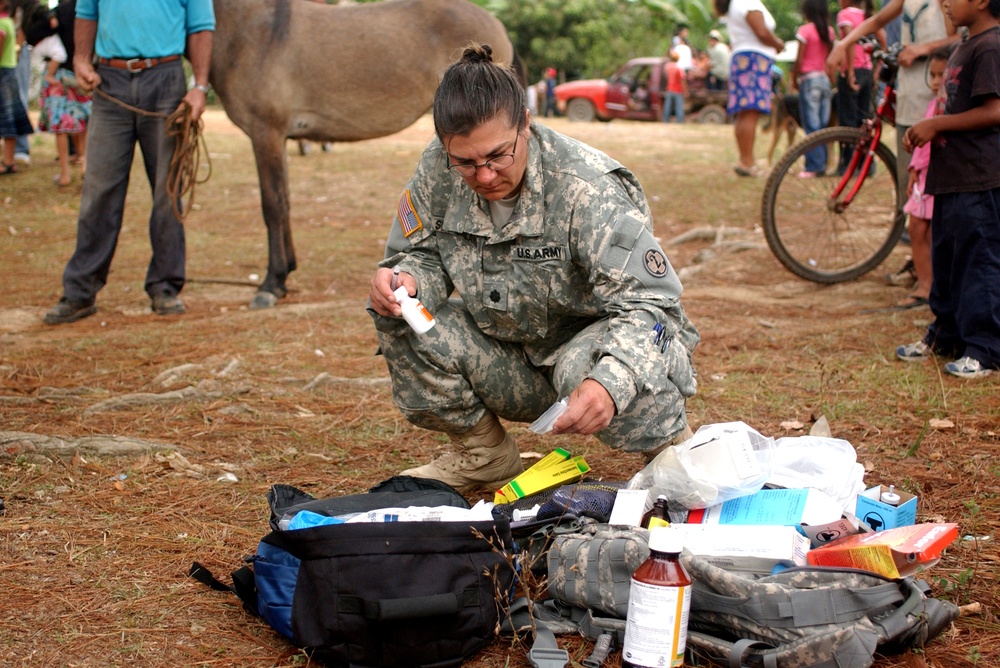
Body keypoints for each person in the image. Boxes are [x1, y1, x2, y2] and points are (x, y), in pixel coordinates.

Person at [367, 45, 700, 492]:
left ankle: (669, 452)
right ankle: (483, 455)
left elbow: (654, 307)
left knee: (605, 360)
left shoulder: (587, 188)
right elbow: (423, 254)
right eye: (465, 162)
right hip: (508, 360)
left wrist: (611, 382)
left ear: (525, 122)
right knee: (406, 319)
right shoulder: (437, 169)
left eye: (498, 156)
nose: (483, 176)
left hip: (586, 360)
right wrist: (407, 280)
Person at [43, 0, 215, 325]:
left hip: (165, 79)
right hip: (109, 80)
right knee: (99, 190)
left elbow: (201, 26)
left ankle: (165, 287)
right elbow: (86, 13)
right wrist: (81, 59)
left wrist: (200, 87)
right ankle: (80, 292)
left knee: (168, 190)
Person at [895, 0, 1000, 379]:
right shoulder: (963, 45)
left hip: (979, 177)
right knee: (948, 260)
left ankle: (985, 350)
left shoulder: (991, 46)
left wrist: (938, 125)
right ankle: (945, 335)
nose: (944, 2)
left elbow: (994, 111)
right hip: (951, 177)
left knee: (979, 264)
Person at [827, 0, 957, 200]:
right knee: (907, 176)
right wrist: (844, 43)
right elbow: (878, 20)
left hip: (937, 97)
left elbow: (961, 37)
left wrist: (924, 48)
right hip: (908, 94)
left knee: (936, 181)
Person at [896, 46, 950, 309]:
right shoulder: (932, 106)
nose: (937, 82)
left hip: (941, 182)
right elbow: (922, 149)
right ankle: (925, 284)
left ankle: (940, 286)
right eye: (933, 75)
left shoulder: (954, 111)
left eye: (944, 75)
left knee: (939, 236)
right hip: (923, 182)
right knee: (916, 229)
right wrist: (913, 173)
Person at [24, 1, 91, 188]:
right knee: (85, 121)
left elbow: (31, 35)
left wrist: (49, 18)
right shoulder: (93, 10)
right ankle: (85, 165)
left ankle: (65, 174)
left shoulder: (60, 12)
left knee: (61, 125)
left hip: (60, 76)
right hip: (84, 73)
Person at [715, 0, 785, 177]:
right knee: (750, 112)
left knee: (744, 113)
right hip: (754, 60)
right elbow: (761, 31)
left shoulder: (736, 4)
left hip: (742, 59)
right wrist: (777, 44)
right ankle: (747, 162)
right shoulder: (747, 1)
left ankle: (745, 159)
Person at [834, 0, 885, 175]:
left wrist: (849, 72)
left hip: (852, 72)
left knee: (847, 120)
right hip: (867, 73)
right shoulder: (868, 15)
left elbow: (850, 41)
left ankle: (848, 166)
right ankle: (866, 166)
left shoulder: (845, 14)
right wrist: (877, 70)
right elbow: (883, 39)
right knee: (864, 121)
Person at [791, 0, 836, 178]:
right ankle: (822, 164)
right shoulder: (829, 31)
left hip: (809, 81)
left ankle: (813, 167)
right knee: (822, 126)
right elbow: (831, 58)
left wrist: (794, 79)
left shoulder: (805, 30)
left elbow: (799, 60)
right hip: (825, 80)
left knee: (811, 125)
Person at [0, 0, 34, 176]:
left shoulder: (2, 24)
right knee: (10, 117)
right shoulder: (9, 22)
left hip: (3, 74)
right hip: (9, 72)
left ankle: (8, 160)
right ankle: (10, 159)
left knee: (6, 119)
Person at [662, 50, 688, 122]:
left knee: (667, 107)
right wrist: (685, 91)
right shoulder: (679, 68)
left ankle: (665, 120)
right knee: (679, 107)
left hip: (669, 89)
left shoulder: (667, 67)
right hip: (678, 90)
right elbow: (682, 80)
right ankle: (679, 121)